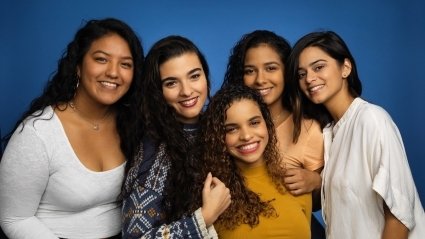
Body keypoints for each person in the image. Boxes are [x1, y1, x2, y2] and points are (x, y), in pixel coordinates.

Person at [0, 18, 144, 238]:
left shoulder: (133, 123)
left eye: (125, 64)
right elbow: (15, 219)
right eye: (101, 59)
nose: (114, 73)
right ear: (78, 65)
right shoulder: (38, 133)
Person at [287, 30, 425, 239]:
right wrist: (316, 181)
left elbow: (399, 217)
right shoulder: (330, 133)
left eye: (319, 67)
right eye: (301, 74)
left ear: (345, 68)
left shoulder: (371, 119)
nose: (309, 78)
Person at [121, 35, 231, 238]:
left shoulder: (220, 128)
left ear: (206, 76)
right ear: (157, 91)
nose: (187, 91)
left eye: (194, 76)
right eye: (172, 83)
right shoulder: (155, 153)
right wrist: (204, 217)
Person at [221, 30, 325, 237]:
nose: (260, 79)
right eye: (250, 70)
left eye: (271, 68)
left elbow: (315, 204)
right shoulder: (223, 122)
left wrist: (316, 181)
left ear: (287, 72)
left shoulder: (307, 129)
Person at [193, 84, 311, 238]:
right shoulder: (212, 195)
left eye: (254, 123)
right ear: (218, 136)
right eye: (232, 129)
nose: (246, 136)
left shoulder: (297, 183)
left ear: (267, 124)